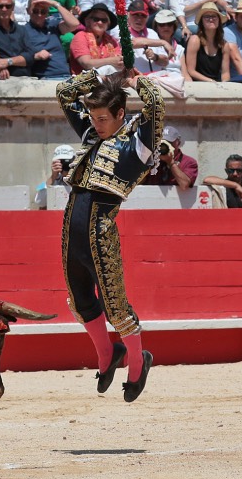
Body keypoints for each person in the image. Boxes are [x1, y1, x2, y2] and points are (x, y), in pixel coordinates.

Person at [56, 69, 164, 402]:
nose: (96, 123)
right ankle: (107, 356)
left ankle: (136, 362)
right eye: (93, 117)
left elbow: (156, 106)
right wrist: (102, 76)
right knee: (80, 299)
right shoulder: (91, 135)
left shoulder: (138, 146)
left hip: (100, 230)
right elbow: (64, 93)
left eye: (103, 118)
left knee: (115, 305)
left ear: (120, 114)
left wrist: (135, 82)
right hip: (71, 228)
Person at [184, 1, 242, 82]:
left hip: (217, 86)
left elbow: (225, 73)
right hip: (198, 85)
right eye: (207, 16)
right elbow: (191, 71)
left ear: (219, 20)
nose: (211, 19)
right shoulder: (195, 40)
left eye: (214, 16)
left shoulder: (224, 45)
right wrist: (210, 81)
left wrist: (224, 85)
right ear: (201, 21)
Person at [25, 0, 77, 79]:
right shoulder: (24, 31)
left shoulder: (53, 25)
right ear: (28, 11)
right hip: (47, 78)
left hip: (67, 76)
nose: (39, 15)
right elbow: (20, 56)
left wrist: (55, 4)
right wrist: (36, 56)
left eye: (43, 11)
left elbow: (74, 24)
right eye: (35, 11)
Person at [69, 1, 121, 74]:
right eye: (96, 19)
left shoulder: (112, 41)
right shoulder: (80, 36)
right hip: (84, 82)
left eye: (104, 20)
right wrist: (111, 61)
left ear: (108, 24)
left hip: (110, 81)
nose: (100, 22)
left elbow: (119, 61)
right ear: (87, 21)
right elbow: (86, 64)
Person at [147, 9, 188, 76]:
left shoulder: (179, 48)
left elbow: (185, 74)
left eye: (169, 24)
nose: (166, 27)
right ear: (156, 27)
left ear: (174, 27)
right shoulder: (151, 46)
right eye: (162, 25)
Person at [33, 143, 74, 208]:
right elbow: (39, 202)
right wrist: (53, 177)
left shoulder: (81, 179)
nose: (65, 165)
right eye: (62, 162)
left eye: (68, 162)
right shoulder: (52, 181)